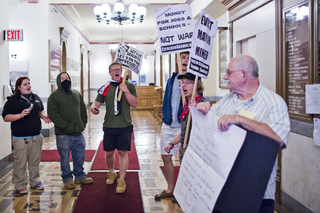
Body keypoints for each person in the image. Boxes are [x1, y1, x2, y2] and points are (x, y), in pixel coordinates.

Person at [196, 55, 290, 213]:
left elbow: (279, 139)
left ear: (244, 75)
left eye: (228, 73)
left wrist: (242, 120)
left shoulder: (273, 103)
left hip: (254, 194)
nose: (225, 76)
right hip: (222, 188)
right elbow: (209, 124)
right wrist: (203, 110)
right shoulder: (227, 100)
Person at [91, 62, 137, 194]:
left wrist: (126, 91)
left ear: (122, 71)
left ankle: (121, 180)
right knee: (109, 152)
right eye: (113, 70)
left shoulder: (129, 86)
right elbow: (97, 102)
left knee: (123, 152)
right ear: (110, 73)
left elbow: (134, 104)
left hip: (125, 125)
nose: (116, 71)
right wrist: (94, 108)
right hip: (109, 125)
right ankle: (111, 172)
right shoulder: (106, 87)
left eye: (118, 69)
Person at [2, 77, 51, 194]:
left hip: (36, 136)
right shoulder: (12, 101)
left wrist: (43, 116)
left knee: (35, 161)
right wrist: (20, 115)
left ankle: (35, 182)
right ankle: (20, 185)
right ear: (18, 87)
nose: (28, 86)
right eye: (25, 84)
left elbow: (40, 110)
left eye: (29, 83)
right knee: (21, 163)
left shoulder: (36, 98)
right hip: (21, 138)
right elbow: (6, 117)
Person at [47, 72, 93, 189]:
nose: (65, 80)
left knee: (80, 156)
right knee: (64, 157)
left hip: (78, 133)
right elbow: (53, 114)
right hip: (63, 134)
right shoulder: (54, 96)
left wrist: (82, 124)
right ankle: (67, 178)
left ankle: (80, 176)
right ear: (58, 81)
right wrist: (65, 126)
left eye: (67, 78)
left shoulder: (76, 94)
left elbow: (83, 110)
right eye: (62, 78)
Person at [155, 51, 189, 200]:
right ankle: (170, 189)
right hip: (168, 124)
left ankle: (183, 192)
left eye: (188, 58)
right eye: (183, 57)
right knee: (165, 156)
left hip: (183, 125)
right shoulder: (171, 79)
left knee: (184, 158)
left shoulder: (194, 80)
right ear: (177, 60)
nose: (185, 60)